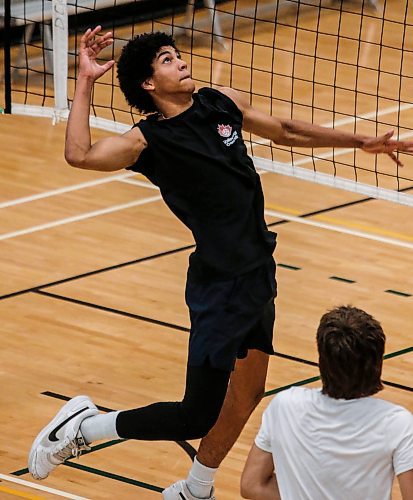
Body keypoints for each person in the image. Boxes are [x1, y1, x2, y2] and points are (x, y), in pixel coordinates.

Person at [28, 26, 413, 500]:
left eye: (176, 54)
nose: (180, 62)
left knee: (249, 393)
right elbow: (79, 154)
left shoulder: (220, 102)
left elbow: (286, 130)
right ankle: (86, 427)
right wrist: (85, 80)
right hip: (221, 286)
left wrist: (363, 142)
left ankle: (196, 487)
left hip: (257, 272)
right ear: (149, 85)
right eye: (167, 60)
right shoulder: (147, 139)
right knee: (196, 415)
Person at [241, 306, 413, 500]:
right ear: (377, 364)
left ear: (322, 360)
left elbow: (252, 485)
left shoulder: (285, 405)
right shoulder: (397, 423)